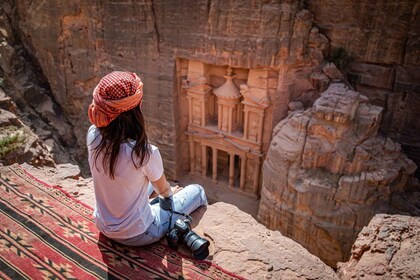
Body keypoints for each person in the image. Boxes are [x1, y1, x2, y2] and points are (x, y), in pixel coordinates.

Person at [86, 71, 207, 246]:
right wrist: (167, 196)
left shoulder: (93, 135)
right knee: (198, 191)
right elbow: (164, 192)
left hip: (103, 225)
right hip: (139, 233)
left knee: (143, 181)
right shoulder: (144, 153)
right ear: (136, 110)